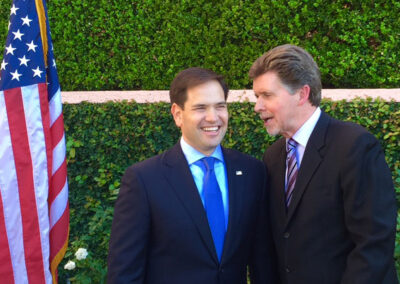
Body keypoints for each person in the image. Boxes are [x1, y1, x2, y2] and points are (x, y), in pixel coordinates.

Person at [108, 67, 276, 284]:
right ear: (178, 114)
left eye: (220, 106)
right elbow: (124, 272)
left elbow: (261, 260)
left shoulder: (252, 172)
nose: (212, 117)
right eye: (200, 108)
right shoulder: (144, 180)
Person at [249, 44, 398, 284]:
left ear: (302, 93)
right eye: (257, 96)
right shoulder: (272, 156)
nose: (257, 106)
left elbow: (373, 243)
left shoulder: (355, 146)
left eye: (267, 95)